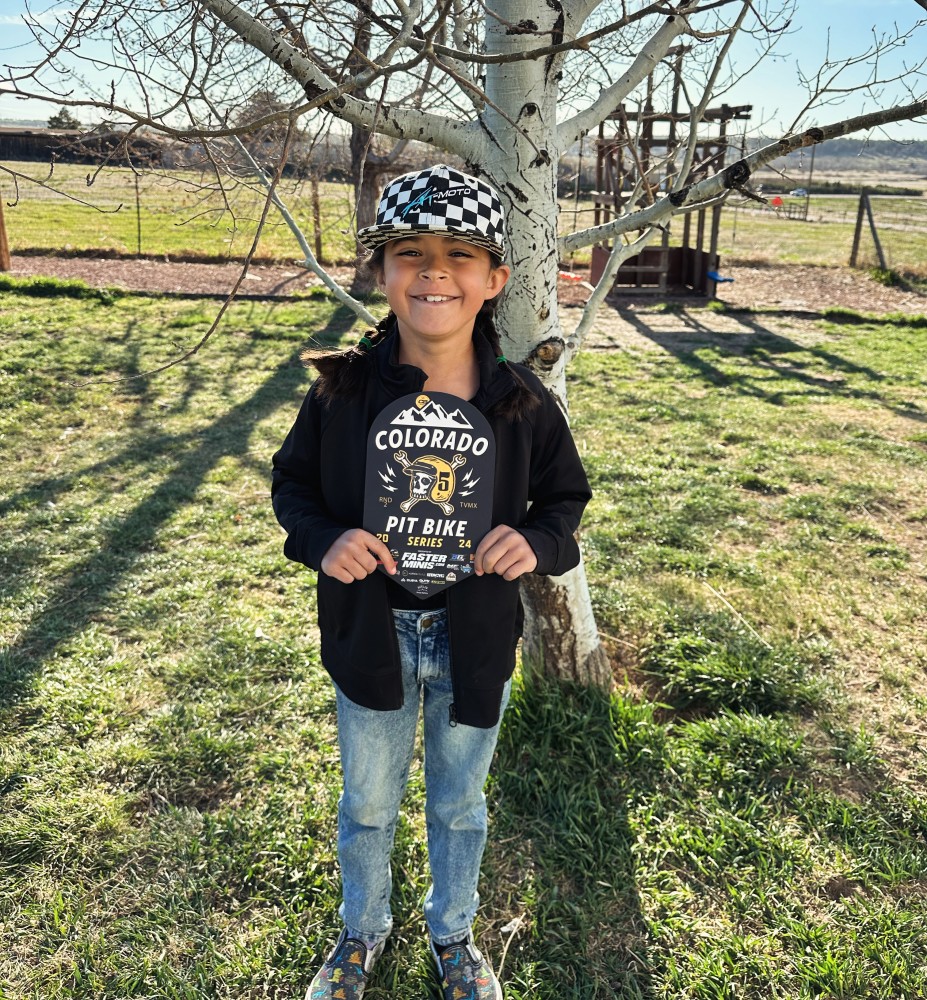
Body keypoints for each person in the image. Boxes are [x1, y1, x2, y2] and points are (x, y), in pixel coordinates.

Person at [271, 164, 591, 1000]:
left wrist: (535, 542)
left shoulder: (522, 404)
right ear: (381, 272)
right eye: (409, 252)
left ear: (494, 280)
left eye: (459, 255)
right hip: (369, 631)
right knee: (367, 803)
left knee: (459, 805)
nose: (433, 272)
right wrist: (325, 539)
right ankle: (361, 930)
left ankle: (453, 933)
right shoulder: (340, 393)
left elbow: (565, 502)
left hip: (473, 635)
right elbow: (292, 484)